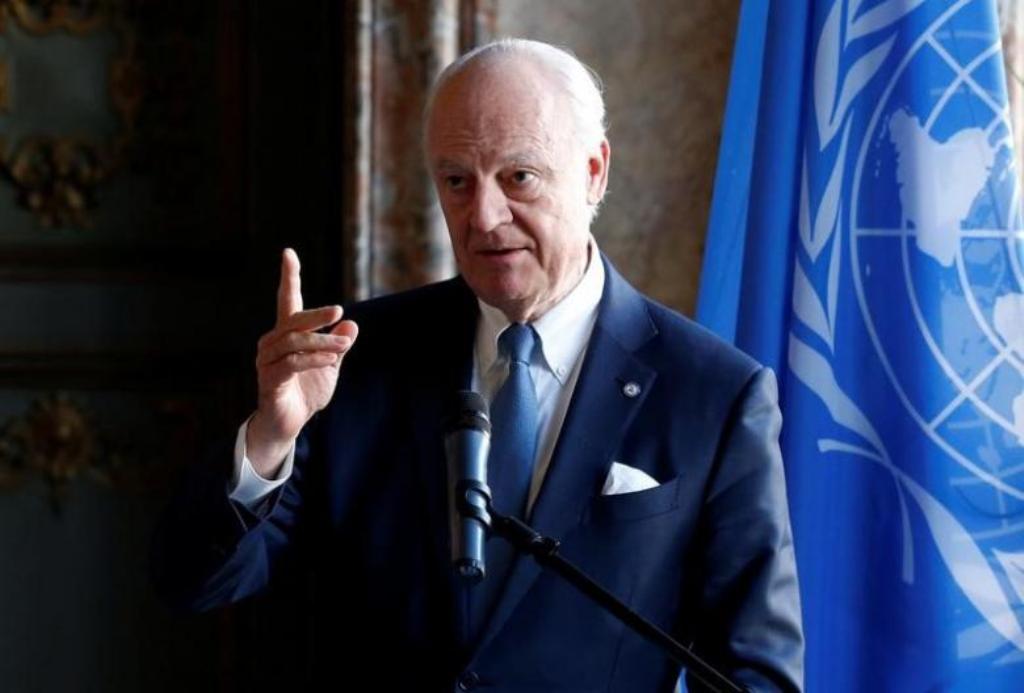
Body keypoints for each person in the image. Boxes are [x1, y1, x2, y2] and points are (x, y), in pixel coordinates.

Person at [152, 38, 803, 692]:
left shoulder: (715, 393)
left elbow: (755, 677)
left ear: (594, 171)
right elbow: (193, 583)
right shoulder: (354, 356)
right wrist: (271, 436)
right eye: (457, 180)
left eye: (518, 176)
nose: (484, 217)